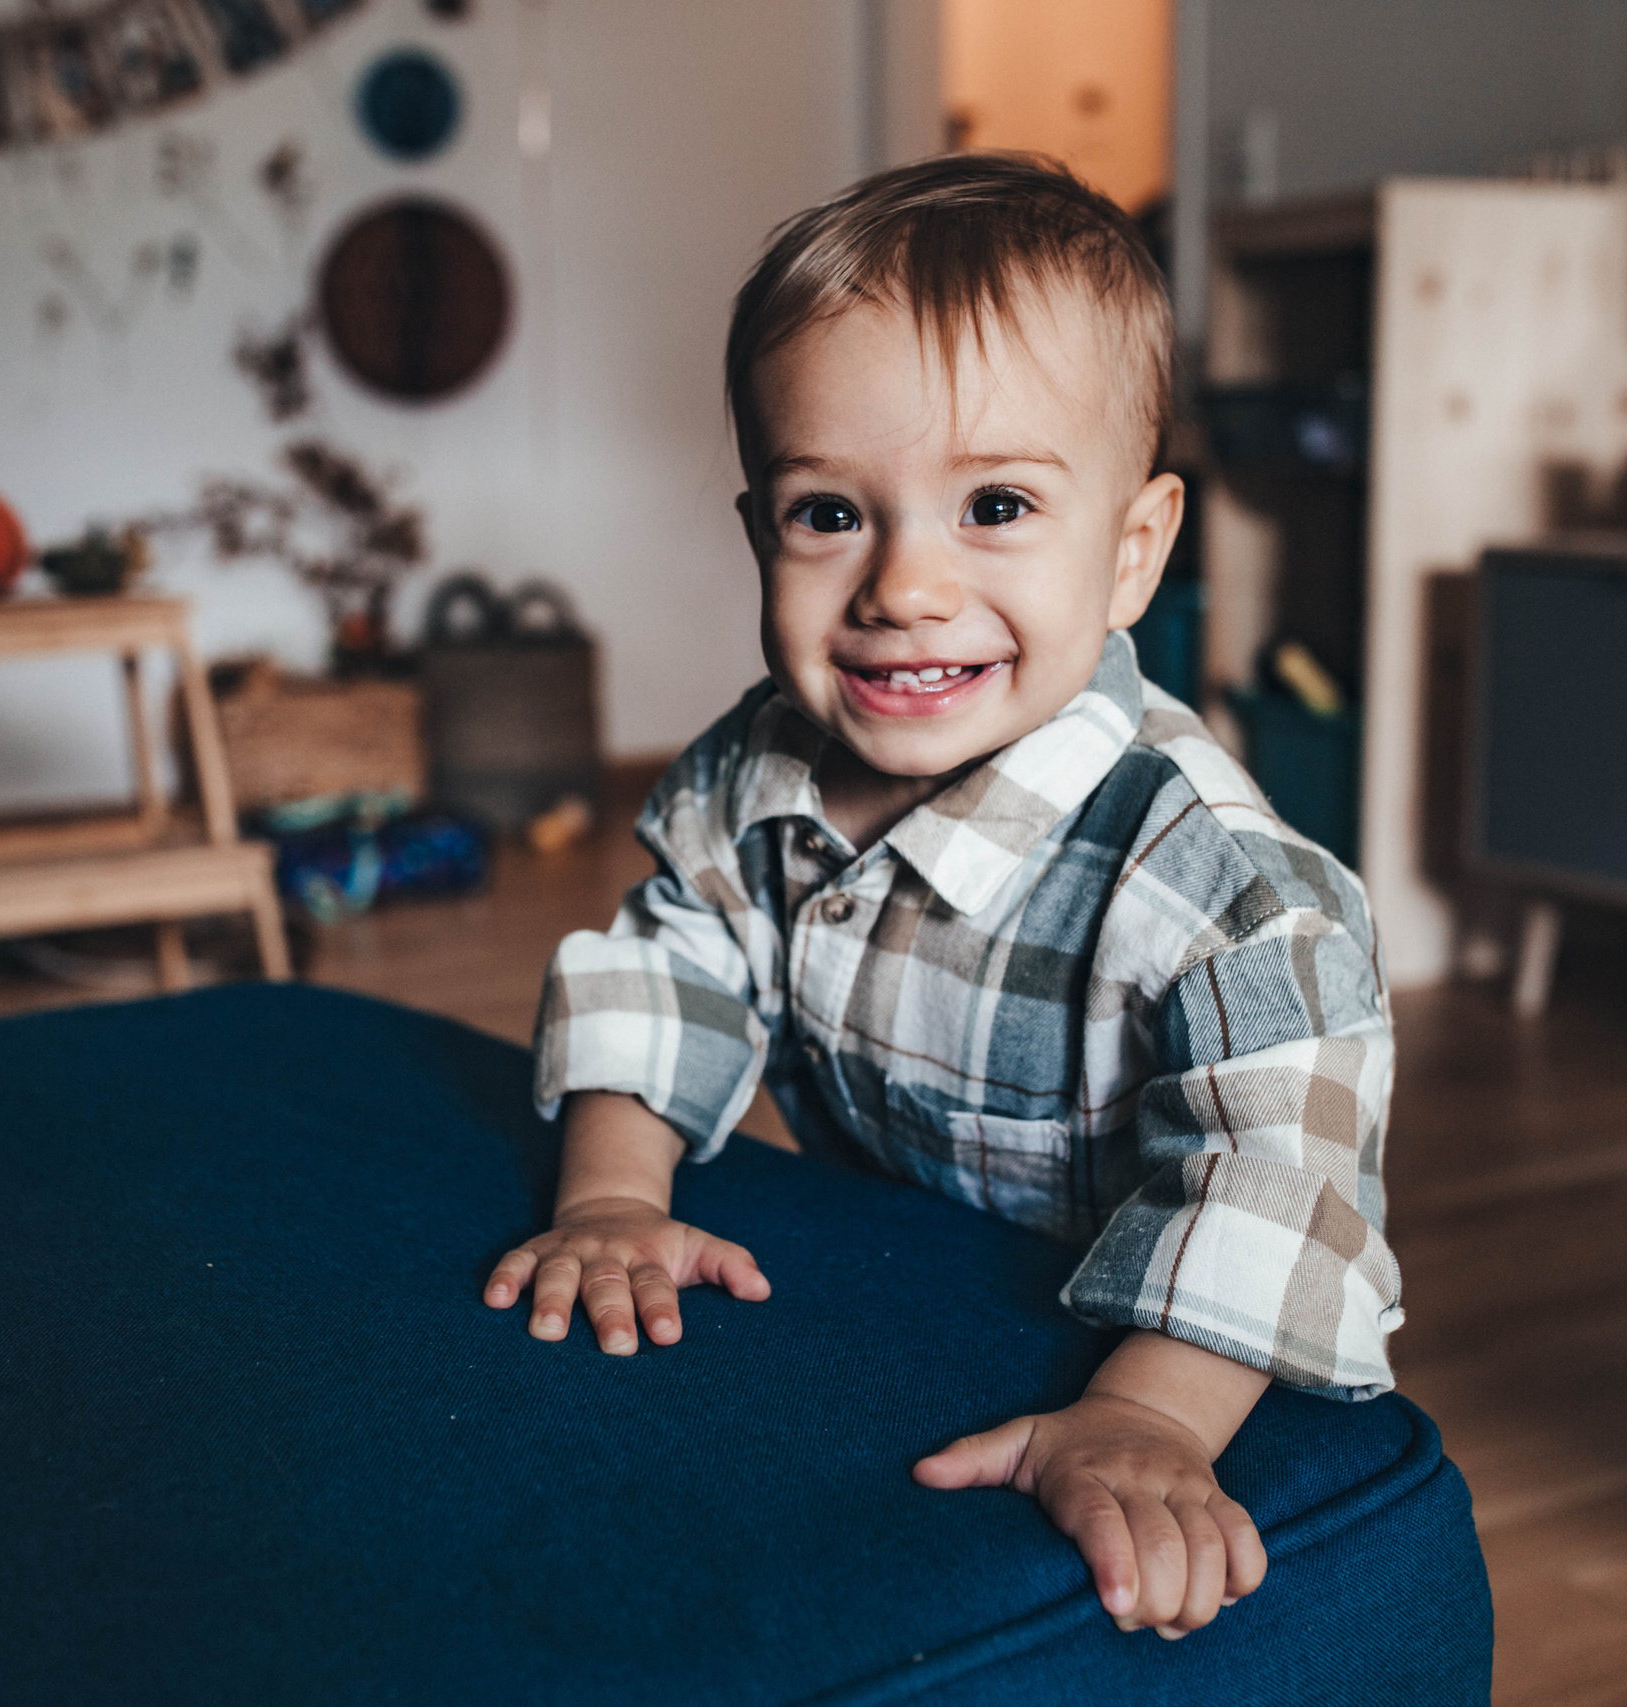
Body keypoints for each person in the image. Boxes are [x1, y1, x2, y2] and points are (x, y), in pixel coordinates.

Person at [484, 153, 1400, 1643]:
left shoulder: (1226, 892)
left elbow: (1276, 1182)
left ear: (1131, 551)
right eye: (830, 515)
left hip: (1157, 1348)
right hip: (903, 1295)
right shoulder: (757, 774)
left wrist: (1149, 1423)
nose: (904, 585)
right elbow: (669, 971)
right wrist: (611, 1197)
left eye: (993, 504)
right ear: (756, 536)